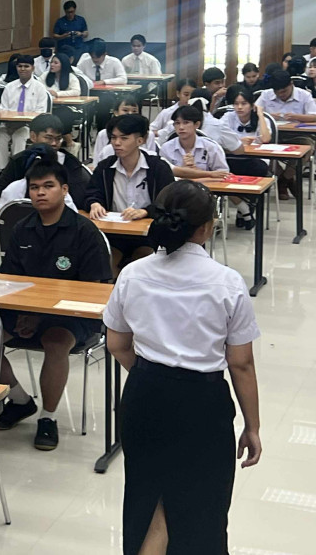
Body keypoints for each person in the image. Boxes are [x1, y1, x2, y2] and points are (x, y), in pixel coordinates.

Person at [104, 181, 261, 555]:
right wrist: (252, 426)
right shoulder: (227, 282)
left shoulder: (132, 273)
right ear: (207, 227)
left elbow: (117, 344)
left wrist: (149, 375)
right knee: (202, 504)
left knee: (148, 497)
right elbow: (240, 363)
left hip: (144, 394)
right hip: (201, 400)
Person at [0, 162, 112, 451]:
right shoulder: (22, 229)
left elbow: (92, 290)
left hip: (73, 313)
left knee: (56, 341)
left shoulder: (84, 231)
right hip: (26, 309)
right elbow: (10, 281)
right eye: (34, 188)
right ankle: (20, 401)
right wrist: (26, 312)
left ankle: (48, 417)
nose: (40, 193)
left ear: (65, 189)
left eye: (48, 186)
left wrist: (40, 315)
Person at [84, 114, 175, 272]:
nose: (117, 143)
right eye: (113, 138)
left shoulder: (158, 168)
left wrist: (146, 211)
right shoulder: (105, 167)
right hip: (112, 233)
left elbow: (170, 202)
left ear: (140, 140)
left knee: (142, 264)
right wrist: (94, 203)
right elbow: (90, 193)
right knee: (104, 264)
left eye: (124, 138)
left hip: (148, 234)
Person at [0, 115, 89, 210]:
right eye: (48, 138)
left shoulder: (70, 162)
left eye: (58, 139)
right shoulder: (20, 160)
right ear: (33, 136)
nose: (54, 143)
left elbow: (79, 199)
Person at [219, 85, 272, 228]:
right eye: (236, 104)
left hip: (256, 160)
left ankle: (244, 209)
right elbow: (218, 138)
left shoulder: (261, 118)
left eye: (244, 103)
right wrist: (238, 141)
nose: (239, 107)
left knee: (256, 169)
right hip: (233, 158)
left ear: (251, 104)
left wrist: (260, 114)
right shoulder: (228, 117)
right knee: (220, 172)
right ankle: (244, 209)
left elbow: (266, 138)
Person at [0, 54, 50, 169]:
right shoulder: (9, 87)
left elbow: (41, 112)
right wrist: (10, 123)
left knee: (19, 135)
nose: (23, 69)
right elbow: (3, 109)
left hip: (29, 126)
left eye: (26, 66)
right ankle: (3, 169)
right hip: (8, 125)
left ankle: (17, 169)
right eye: (20, 66)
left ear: (33, 68)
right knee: (0, 135)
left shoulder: (40, 88)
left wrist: (21, 122)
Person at [159, 106, 231, 181]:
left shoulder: (211, 147)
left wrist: (196, 172)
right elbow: (164, 176)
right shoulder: (166, 148)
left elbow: (224, 176)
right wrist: (184, 171)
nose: (181, 127)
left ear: (197, 124)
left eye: (186, 122)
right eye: (177, 123)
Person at [92, 96, 156, 168]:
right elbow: (97, 161)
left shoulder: (148, 134)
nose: (130, 114)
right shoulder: (103, 134)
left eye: (134, 111)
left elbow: (151, 158)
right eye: (125, 110)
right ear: (116, 112)